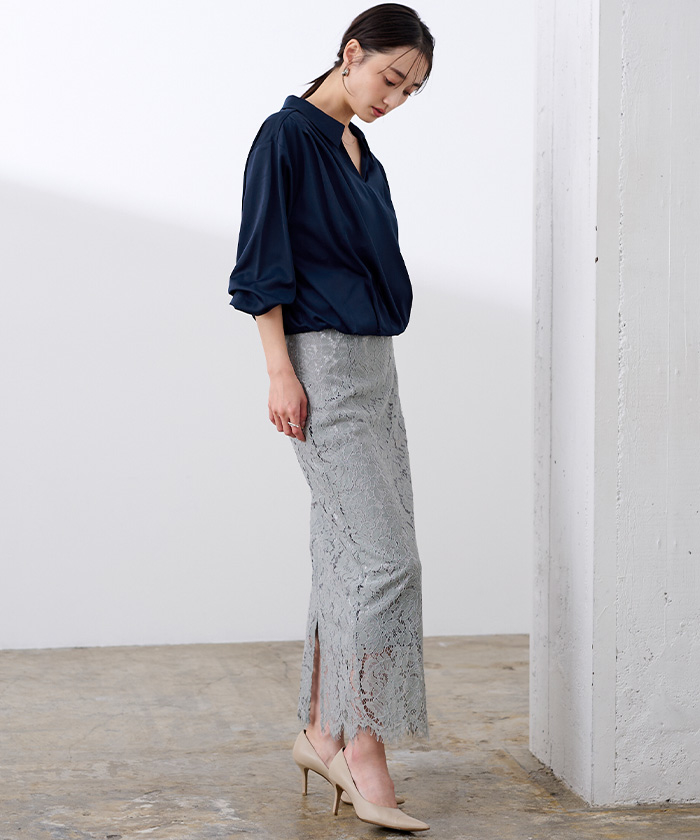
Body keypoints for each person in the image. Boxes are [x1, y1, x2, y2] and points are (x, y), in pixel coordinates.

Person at [228, 3, 435, 832]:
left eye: (411, 91)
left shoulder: (359, 150)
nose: (395, 98)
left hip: (376, 368)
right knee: (388, 562)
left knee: (348, 558)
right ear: (351, 52)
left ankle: (321, 733)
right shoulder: (287, 138)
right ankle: (364, 747)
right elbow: (260, 260)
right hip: (319, 364)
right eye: (390, 77)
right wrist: (279, 370)